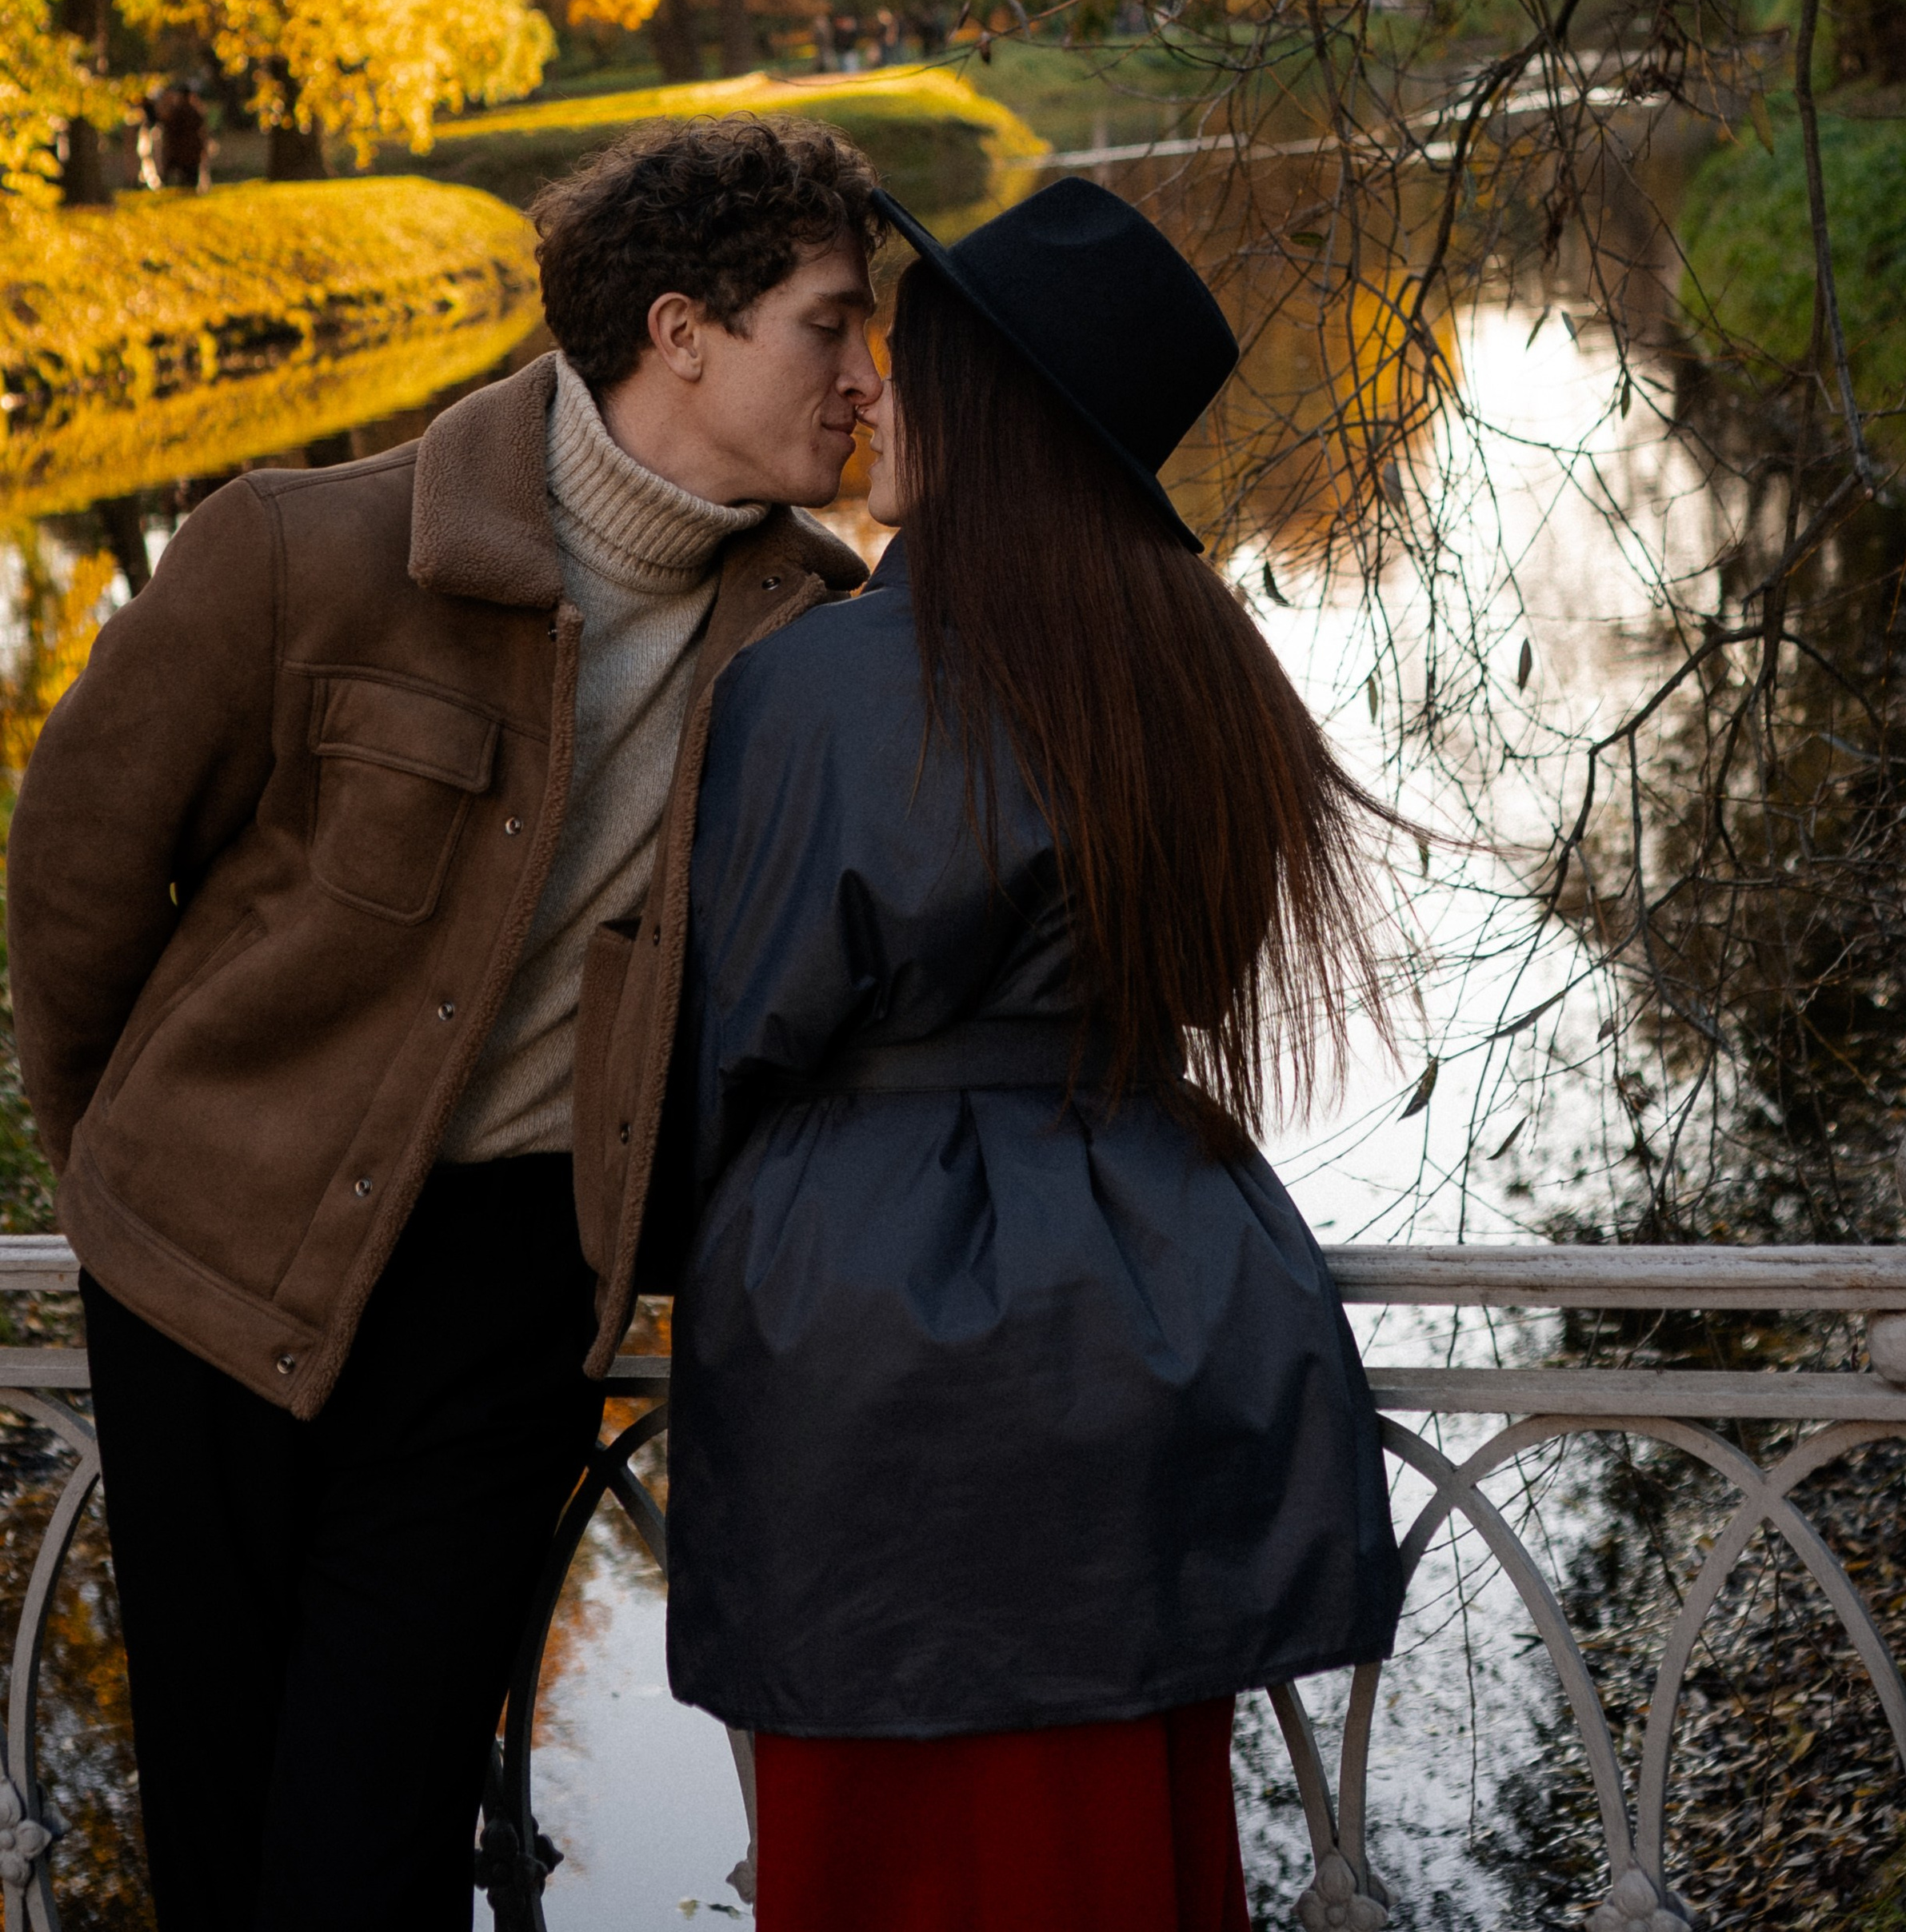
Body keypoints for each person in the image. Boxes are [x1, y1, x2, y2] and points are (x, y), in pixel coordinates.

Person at [6, 116, 883, 1932]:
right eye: (829, 325)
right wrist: (130, 1168)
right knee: (223, 1839)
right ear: (680, 331)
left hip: (507, 1301)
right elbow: (79, 863)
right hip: (209, 1267)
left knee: (371, 1856)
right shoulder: (297, 550)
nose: (867, 376)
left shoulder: (815, 631)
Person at [662, 175, 1405, 1932]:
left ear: (986, 415)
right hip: (1147, 1309)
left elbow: (736, 1033)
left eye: (904, 371)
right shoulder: (1212, 674)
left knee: (893, 1865)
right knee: (1117, 1844)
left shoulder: (821, 685)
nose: (868, 401)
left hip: (867, 1365)